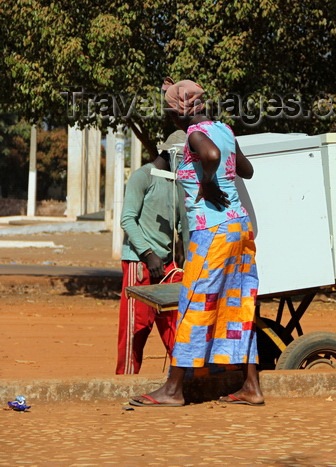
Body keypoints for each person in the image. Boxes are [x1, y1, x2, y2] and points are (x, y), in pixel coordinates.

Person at [129, 77, 264, 407]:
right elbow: (245, 169)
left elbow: (211, 154)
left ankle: (173, 390)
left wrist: (206, 183)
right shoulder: (226, 130)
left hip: (213, 230)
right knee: (239, 304)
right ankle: (251, 387)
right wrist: (220, 172)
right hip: (239, 229)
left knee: (195, 304)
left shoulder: (195, 135)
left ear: (180, 115)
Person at [116, 131, 185, 374]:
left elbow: (178, 225)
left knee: (174, 324)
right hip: (140, 262)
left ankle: (182, 380)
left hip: (167, 265)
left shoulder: (177, 183)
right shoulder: (142, 176)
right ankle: (124, 381)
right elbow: (127, 219)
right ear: (172, 153)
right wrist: (148, 253)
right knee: (136, 327)